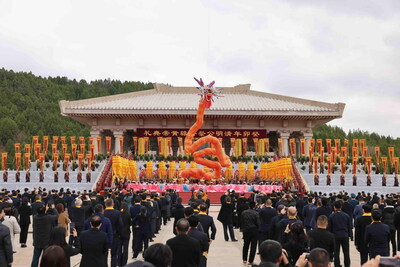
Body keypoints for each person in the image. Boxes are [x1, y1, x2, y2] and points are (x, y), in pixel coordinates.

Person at [329, 200, 352, 267]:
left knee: (336, 252)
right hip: (345, 235)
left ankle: (337, 265)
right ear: (341, 207)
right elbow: (349, 226)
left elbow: (330, 227)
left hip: (335, 236)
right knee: (346, 252)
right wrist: (350, 235)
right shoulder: (346, 215)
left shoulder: (331, 216)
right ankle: (347, 265)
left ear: (334, 207)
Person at [104, 198, 123, 267]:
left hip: (104, 236)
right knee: (114, 255)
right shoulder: (117, 213)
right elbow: (120, 225)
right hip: (114, 235)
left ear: (105, 204)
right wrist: (119, 234)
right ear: (113, 204)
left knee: (104, 255)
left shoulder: (103, 213)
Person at [241, 201, 260, 265]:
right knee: (253, 246)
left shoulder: (244, 213)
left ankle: (244, 259)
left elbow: (242, 221)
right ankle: (250, 261)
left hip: (246, 230)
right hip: (254, 230)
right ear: (254, 206)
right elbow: (258, 223)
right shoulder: (256, 213)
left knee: (245, 245)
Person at [119, 202, 131, 267]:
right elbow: (130, 223)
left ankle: (119, 262)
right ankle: (124, 262)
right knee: (125, 249)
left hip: (120, 233)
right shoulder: (128, 214)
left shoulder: (119, 214)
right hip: (126, 232)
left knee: (119, 249)